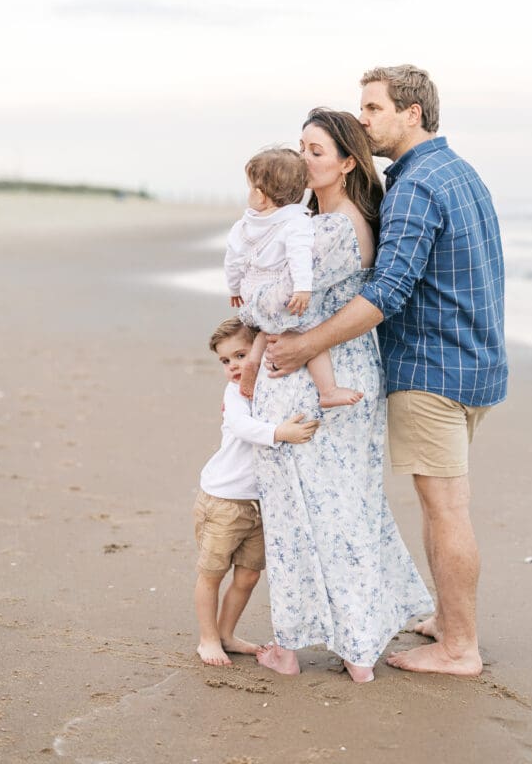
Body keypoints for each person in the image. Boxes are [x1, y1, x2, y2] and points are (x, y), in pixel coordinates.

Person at [266, 66, 508, 677]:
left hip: (433, 368)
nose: (365, 120)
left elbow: (387, 293)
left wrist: (303, 346)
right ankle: (448, 621)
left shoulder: (415, 186)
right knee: (440, 505)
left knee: (446, 507)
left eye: (373, 109)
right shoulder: (458, 172)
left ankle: (460, 647)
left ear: (413, 114)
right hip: (475, 362)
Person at [239, 108, 434, 683]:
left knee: (309, 513)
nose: (302, 159)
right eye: (300, 147)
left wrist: (250, 298)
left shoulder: (331, 229)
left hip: (315, 380)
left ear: (349, 162)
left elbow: (269, 304)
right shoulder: (323, 221)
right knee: (343, 507)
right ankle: (353, 638)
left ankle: (331, 646)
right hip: (336, 373)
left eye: (316, 150)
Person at [194, 317, 320, 666]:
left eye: (240, 355)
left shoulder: (271, 387)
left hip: (262, 503)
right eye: (225, 361)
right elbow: (241, 426)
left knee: (248, 575)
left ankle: (226, 634)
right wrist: (280, 433)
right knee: (212, 572)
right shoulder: (235, 393)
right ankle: (208, 639)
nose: (233, 366)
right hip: (224, 499)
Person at [224, 147, 362, 408]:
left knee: (268, 329)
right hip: (280, 290)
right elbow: (299, 256)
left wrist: (234, 288)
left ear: (260, 195)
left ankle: (252, 362)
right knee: (310, 332)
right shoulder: (297, 222)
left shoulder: (243, 225)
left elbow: (232, 260)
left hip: (252, 290)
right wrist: (302, 288)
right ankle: (328, 390)